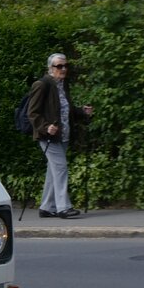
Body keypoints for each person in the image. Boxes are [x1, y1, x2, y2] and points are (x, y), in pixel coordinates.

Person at [26, 53, 93, 218]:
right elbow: (32, 113)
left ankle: (47, 207)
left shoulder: (63, 85)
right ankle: (63, 207)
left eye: (65, 66)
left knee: (53, 170)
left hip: (63, 136)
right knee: (61, 168)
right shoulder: (42, 85)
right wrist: (45, 127)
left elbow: (66, 109)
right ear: (50, 68)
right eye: (59, 66)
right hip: (48, 137)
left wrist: (82, 112)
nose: (63, 69)